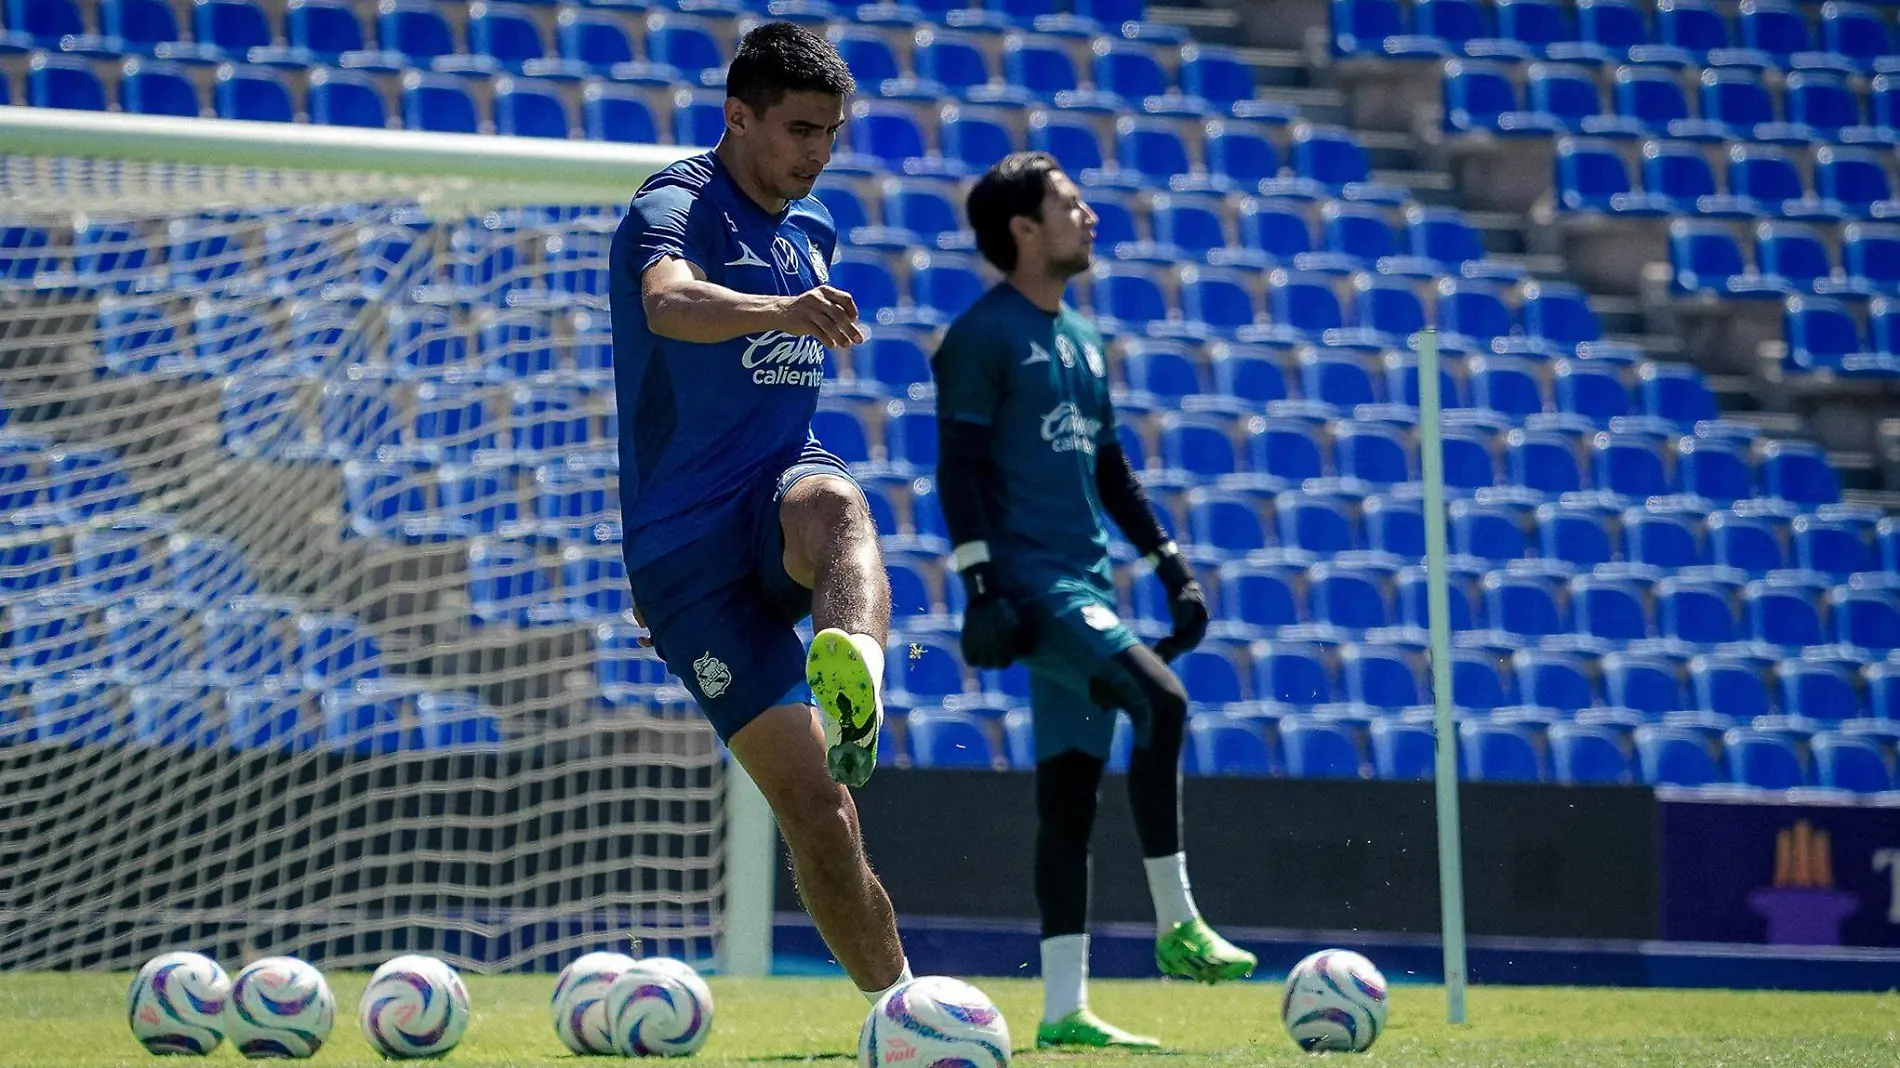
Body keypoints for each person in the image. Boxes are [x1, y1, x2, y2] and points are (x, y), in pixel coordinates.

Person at [608, 21, 910, 1003]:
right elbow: (667, 303)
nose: (817, 152)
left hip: (777, 499)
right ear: (737, 116)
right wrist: (780, 312)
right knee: (819, 809)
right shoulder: (676, 202)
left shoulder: (811, 230)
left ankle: (853, 679)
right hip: (688, 557)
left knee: (838, 501)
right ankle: (891, 1001)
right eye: (798, 130)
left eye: (830, 132)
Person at [930, 152, 1258, 1049]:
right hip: (1037, 586)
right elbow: (955, 466)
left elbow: (1110, 468)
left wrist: (1171, 565)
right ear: (1024, 231)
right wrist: (980, 584)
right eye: (1069, 205)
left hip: (1090, 576)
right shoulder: (981, 337)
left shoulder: (1082, 337)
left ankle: (1065, 1009)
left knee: (1069, 798)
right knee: (1162, 700)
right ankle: (1179, 923)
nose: (1090, 215)